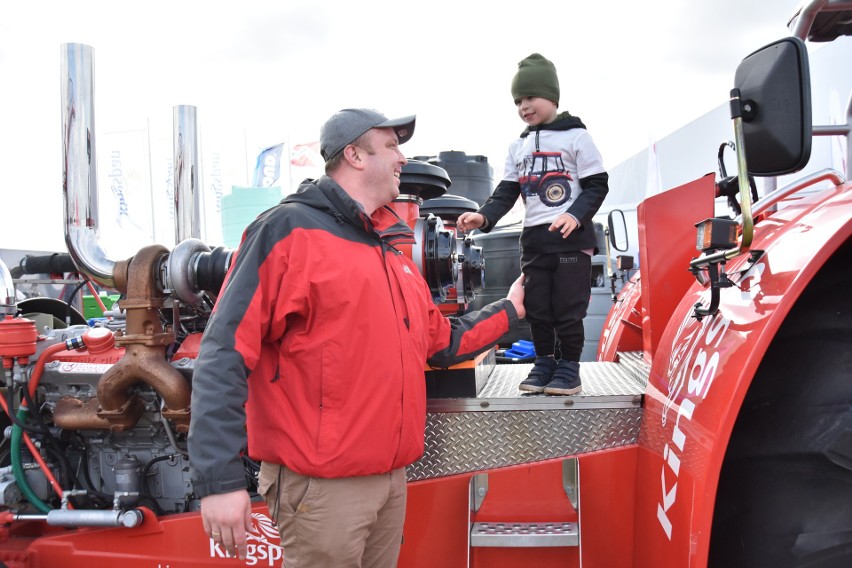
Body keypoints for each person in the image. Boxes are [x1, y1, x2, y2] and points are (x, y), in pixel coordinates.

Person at [188, 107, 525, 566]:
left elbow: (440, 341)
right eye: (391, 146)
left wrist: (511, 310)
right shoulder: (287, 232)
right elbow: (224, 353)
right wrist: (220, 481)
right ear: (354, 155)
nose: (403, 158)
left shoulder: (390, 251)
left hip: (390, 480)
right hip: (322, 492)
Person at [457, 53, 609, 396]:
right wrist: (484, 216)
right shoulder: (518, 146)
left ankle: (569, 368)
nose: (524, 106)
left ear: (552, 97)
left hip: (570, 238)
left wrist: (574, 214)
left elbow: (598, 184)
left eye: (530, 97)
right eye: (518, 101)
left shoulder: (577, 137)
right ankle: (543, 363)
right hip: (535, 239)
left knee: (568, 308)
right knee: (538, 307)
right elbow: (507, 190)